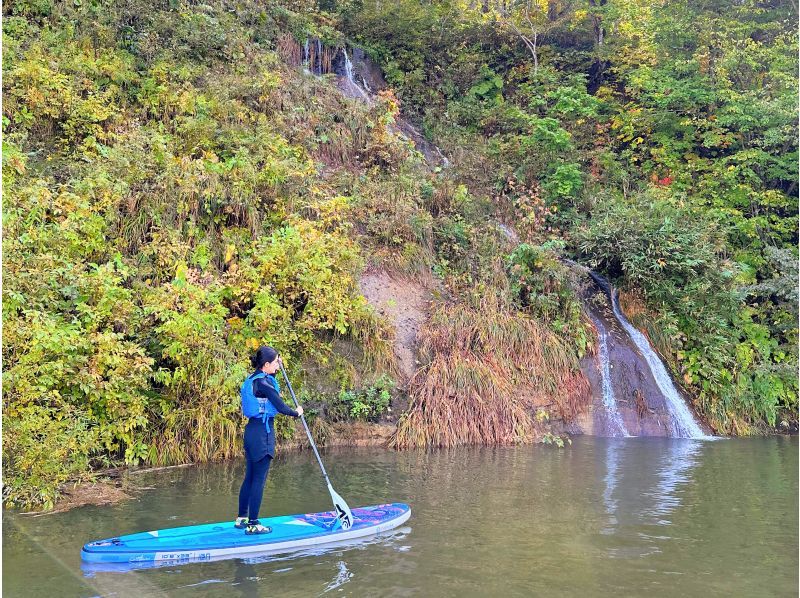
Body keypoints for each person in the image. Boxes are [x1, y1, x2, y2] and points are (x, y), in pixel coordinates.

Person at [236, 346, 303, 534]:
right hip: (262, 435)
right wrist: (296, 413)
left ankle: (242, 518)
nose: (278, 367)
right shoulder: (264, 384)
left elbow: (269, 384)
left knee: (250, 477)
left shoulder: (254, 379)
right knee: (259, 479)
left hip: (251, 432)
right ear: (266, 364)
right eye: (275, 363)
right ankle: (254, 524)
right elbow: (280, 405)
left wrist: (278, 363)